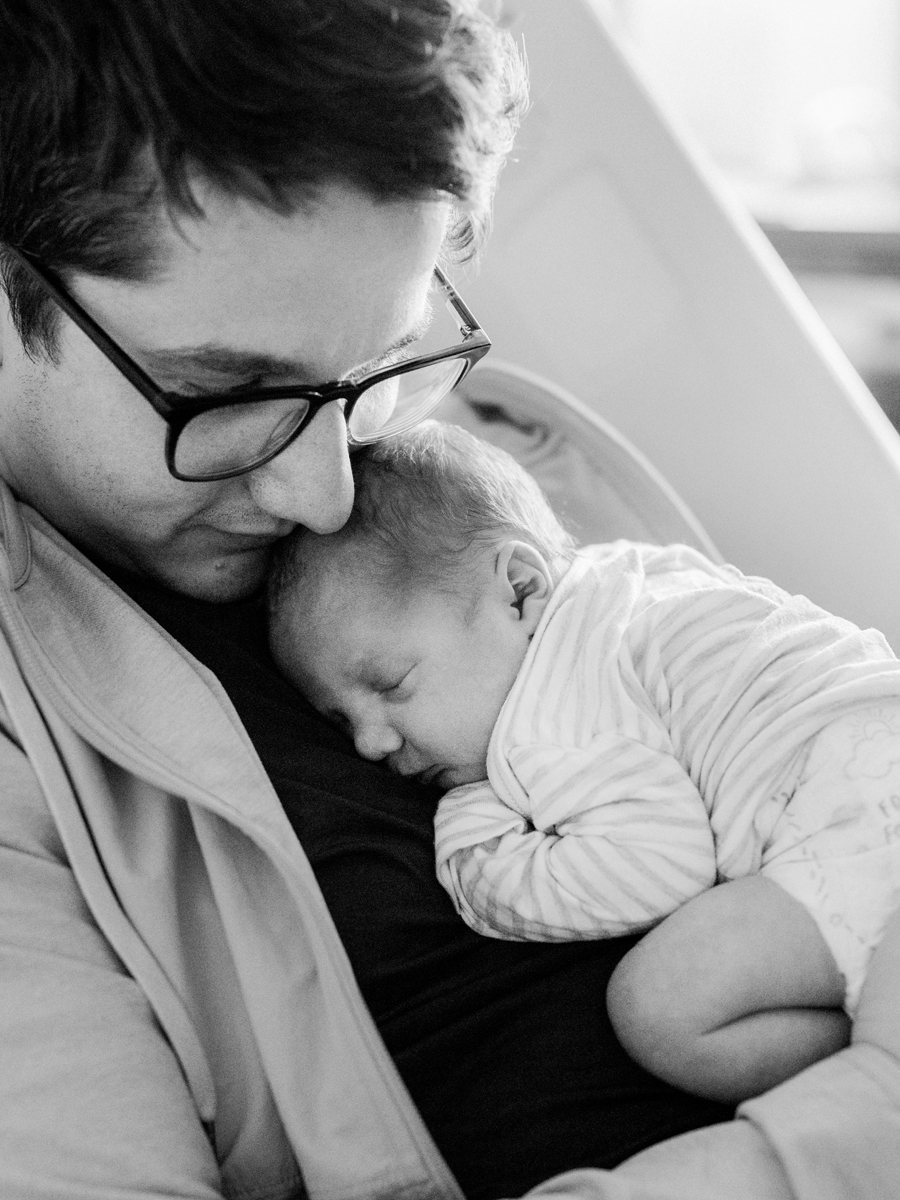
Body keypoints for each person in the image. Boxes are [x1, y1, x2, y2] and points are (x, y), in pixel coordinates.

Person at [0, 2, 899, 1198]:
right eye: (228, 395)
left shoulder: (498, 462)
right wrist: (867, 1115)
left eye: (374, 366)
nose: (321, 491)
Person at [268, 420, 900, 1104]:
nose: (370, 743)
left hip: (856, 811)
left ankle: (876, 1071)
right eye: (341, 721)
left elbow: (658, 870)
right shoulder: (634, 576)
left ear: (519, 590)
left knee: (662, 1008)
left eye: (390, 685)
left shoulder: (545, 710)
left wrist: (475, 847)